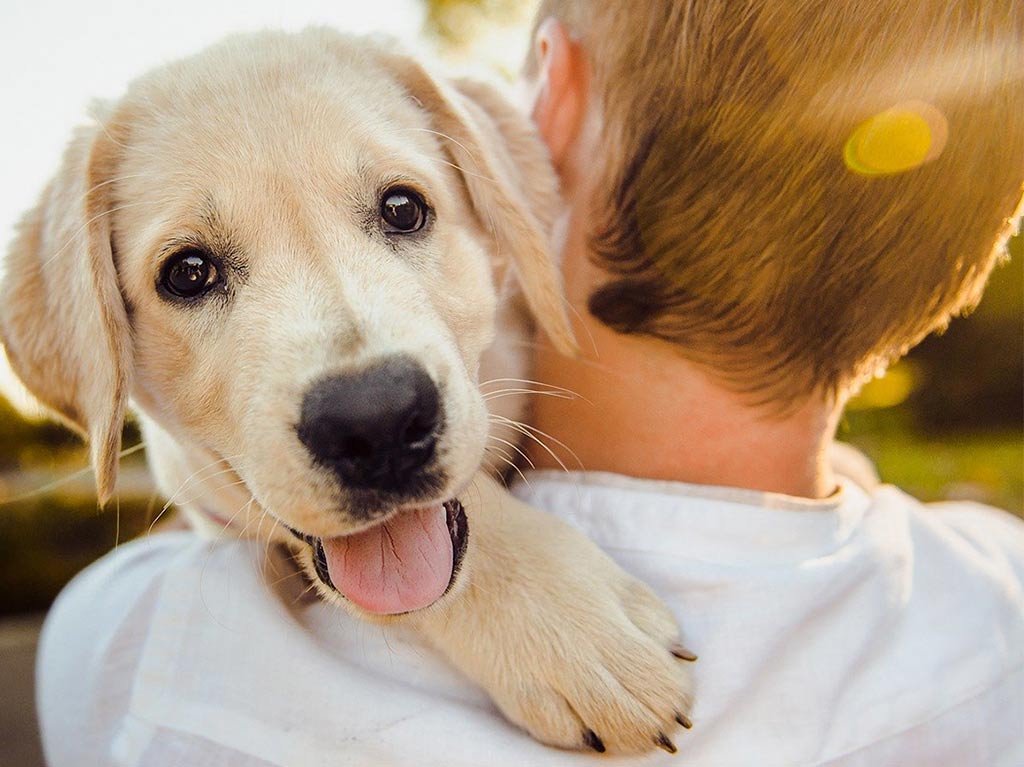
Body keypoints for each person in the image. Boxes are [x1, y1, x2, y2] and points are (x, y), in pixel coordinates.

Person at [37, 1, 1024, 765]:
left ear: (540, 122)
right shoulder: (996, 597)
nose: (367, 393)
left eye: (398, 209)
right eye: (193, 273)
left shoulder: (136, 652)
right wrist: (484, 566)